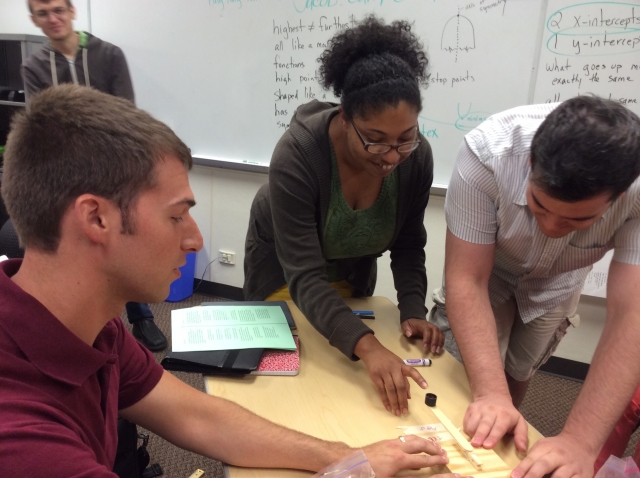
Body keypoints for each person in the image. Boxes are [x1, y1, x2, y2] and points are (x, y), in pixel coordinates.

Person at [0, 84, 458, 477]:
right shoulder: (23, 440)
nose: (195, 239)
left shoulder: (92, 327)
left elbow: (197, 416)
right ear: (96, 219)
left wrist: (346, 458)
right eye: (177, 216)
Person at [429, 96, 640, 478]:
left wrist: (579, 441)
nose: (552, 227)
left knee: (519, 371)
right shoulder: (487, 153)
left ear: (620, 195)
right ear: (529, 165)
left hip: (558, 285)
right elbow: (467, 278)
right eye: (539, 207)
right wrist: (491, 394)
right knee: (462, 380)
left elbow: (633, 314)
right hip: (488, 273)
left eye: (578, 221)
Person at [244, 16, 444, 418]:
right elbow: (304, 275)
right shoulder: (298, 154)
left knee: (348, 393)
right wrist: (369, 348)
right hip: (285, 271)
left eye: (406, 137)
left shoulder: (416, 157)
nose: (392, 156)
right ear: (345, 117)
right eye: (375, 140)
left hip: (350, 271)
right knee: (295, 388)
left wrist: (412, 311)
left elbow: (408, 245)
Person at [22, 0, 167, 351]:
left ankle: (141, 317)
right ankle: (83, 325)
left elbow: (126, 116)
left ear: (72, 11)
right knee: (75, 247)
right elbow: (41, 124)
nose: (53, 19)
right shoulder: (35, 66)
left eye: (58, 9)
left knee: (120, 239)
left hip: (112, 170)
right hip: (66, 174)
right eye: (43, 14)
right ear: (34, 19)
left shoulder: (108, 55)